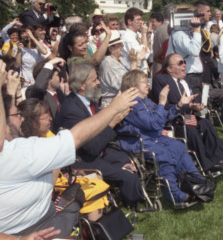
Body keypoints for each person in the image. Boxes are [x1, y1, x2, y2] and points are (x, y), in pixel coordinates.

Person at [0, 59, 138, 236]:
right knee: (91, 190)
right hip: (44, 226)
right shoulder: (22, 152)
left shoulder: (19, 148)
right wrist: (113, 111)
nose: (21, 118)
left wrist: (10, 92)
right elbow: (80, 138)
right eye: (17, 114)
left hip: (33, 223)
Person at [54, 62, 145, 207]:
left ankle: (126, 195)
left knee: (129, 163)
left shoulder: (90, 100)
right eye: (94, 80)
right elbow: (91, 147)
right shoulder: (72, 110)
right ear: (82, 85)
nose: (98, 82)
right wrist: (112, 123)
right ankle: (133, 205)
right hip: (83, 160)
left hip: (101, 150)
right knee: (128, 177)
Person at [117, 69, 210, 204]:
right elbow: (153, 123)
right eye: (145, 82)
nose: (148, 84)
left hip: (152, 137)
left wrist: (179, 105)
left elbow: (163, 116)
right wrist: (161, 102)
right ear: (134, 87)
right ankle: (175, 194)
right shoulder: (134, 103)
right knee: (164, 154)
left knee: (178, 146)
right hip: (137, 141)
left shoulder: (145, 101)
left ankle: (197, 182)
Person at [152, 53, 223, 176]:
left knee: (205, 123)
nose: (184, 64)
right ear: (169, 69)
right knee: (191, 131)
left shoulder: (184, 81)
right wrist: (186, 106)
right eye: (180, 63)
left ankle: (221, 157)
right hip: (172, 120)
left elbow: (190, 101)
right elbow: (163, 106)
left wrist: (195, 106)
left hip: (186, 116)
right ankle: (206, 166)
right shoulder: (161, 80)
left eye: (184, 62)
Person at [99, 30, 146, 107]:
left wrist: (137, 61)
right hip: (113, 106)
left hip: (123, 103)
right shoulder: (108, 63)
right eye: (119, 44)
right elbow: (126, 85)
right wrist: (134, 63)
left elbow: (134, 78)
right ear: (111, 48)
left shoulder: (120, 60)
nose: (122, 46)